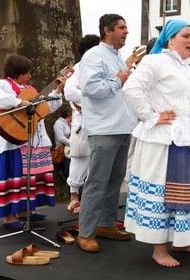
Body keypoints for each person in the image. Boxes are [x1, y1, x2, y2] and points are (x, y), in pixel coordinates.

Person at [123, 19, 190, 267]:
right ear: (170, 39)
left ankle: (183, 240)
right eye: (185, 36)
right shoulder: (155, 61)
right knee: (164, 193)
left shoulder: (188, 70)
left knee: (188, 194)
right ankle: (159, 249)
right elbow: (131, 89)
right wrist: (152, 116)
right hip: (166, 141)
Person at [76, 14, 138, 253]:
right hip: (103, 127)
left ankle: (106, 223)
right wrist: (118, 80)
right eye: (122, 28)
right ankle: (85, 232)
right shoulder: (93, 56)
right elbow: (90, 88)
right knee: (97, 181)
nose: (126, 32)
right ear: (107, 30)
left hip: (122, 125)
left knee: (114, 179)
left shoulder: (117, 57)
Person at [0, 54, 64, 229]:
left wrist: (57, 91)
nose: (30, 76)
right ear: (17, 72)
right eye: (27, 72)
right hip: (14, 142)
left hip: (33, 140)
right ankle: (9, 217)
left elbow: (45, 109)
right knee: (14, 176)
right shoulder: (2, 84)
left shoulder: (30, 89)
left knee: (30, 178)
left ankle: (25, 211)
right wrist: (21, 102)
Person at [63, 34, 100, 214]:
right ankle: (74, 197)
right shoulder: (79, 68)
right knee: (79, 158)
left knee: (98, 162)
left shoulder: (102, 67)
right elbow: (69, 92)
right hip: (83, 123)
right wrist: (92, 100)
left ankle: (91, 200)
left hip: (101, 122)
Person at [53, 105, 72, 179]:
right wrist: (72, 144)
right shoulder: (58, 123)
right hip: (62, 147)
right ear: (68, 114)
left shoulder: (69, 123)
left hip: (69, 147)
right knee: (67, 169)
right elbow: (60, 138)